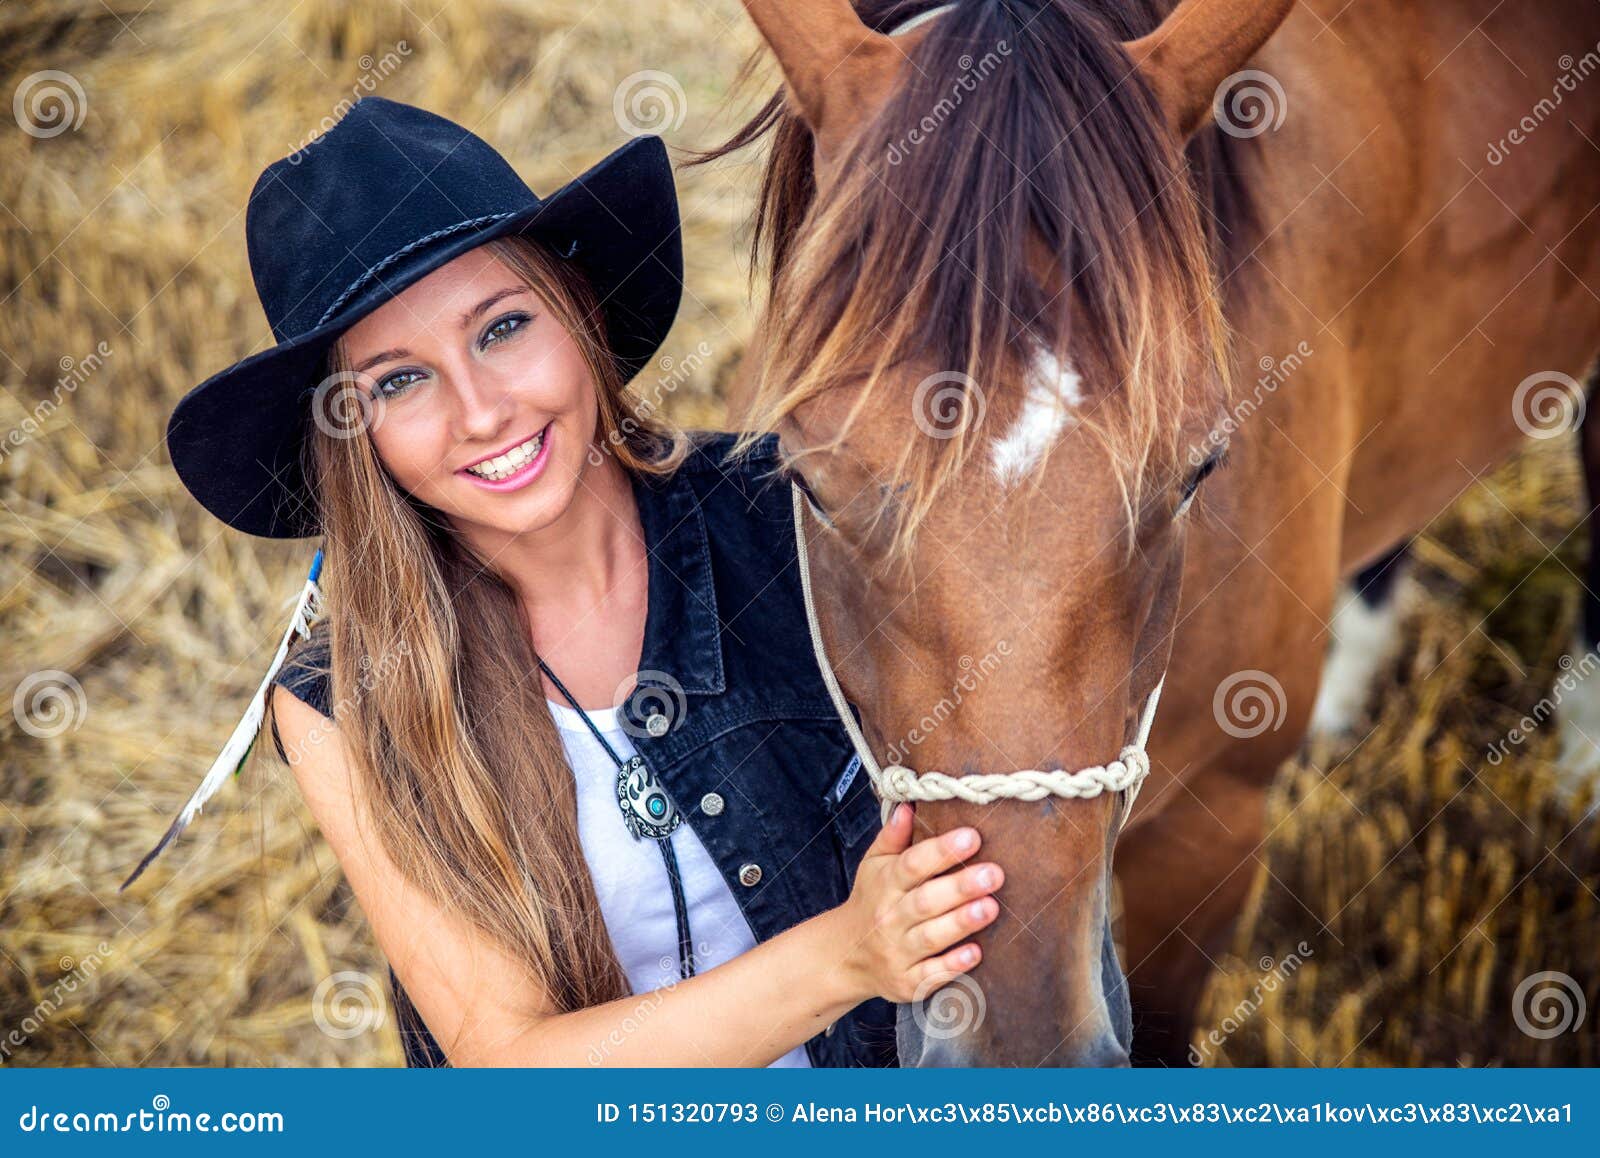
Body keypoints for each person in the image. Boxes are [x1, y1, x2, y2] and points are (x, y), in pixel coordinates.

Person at [148, 96, 1003, 1066]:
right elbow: (509, 1070)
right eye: (397, 380)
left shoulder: (796, 518)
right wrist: (849, 957)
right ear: (352, 438)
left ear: (580, 313)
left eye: (501, 326)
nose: (480, 411)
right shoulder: (342, 703)